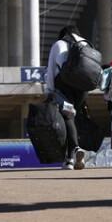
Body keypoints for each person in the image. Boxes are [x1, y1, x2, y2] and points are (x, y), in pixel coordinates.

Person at [44, 24, 90, 171]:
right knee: (74, 117)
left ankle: (74, 151)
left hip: (64, 86)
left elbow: (51, 70)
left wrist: (49, 91)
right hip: (82, 87)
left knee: (67, 118)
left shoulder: (58, 44)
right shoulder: (85, 43)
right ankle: (71, 159)